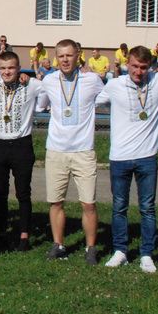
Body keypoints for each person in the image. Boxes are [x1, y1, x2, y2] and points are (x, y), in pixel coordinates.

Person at [96, 46, 158, 273]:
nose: (138, 72)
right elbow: (90, 100)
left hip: (147, 156)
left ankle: (147, 254)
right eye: (134, 66)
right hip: (120, 157)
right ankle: (120, 251)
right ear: (127, 63)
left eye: (144, 68)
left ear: (151, 67)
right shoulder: (114, 85)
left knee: (147, 208)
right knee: (119, 207)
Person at [36, 39, 104, 264]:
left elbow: (105, 98)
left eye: (69, 55)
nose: (65, 59)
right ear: (56, 58)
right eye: (61, 56)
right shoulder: (49, 80)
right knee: (56, 202)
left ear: (77, 56)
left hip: (83, 150)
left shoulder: (91, 79)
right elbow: (41, 104)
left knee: (88, 203)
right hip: (56, 150)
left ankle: (91, 248)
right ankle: (58, 245)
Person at [0, 51, 42, 251]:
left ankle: (24, 235)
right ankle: (1, 232)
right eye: (3, 68)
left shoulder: (31, 84)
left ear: (19, 68)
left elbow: (51, 86)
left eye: (11, 67)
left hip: (21, 145)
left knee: (23, 192)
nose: (7, 72)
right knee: (0, 192)